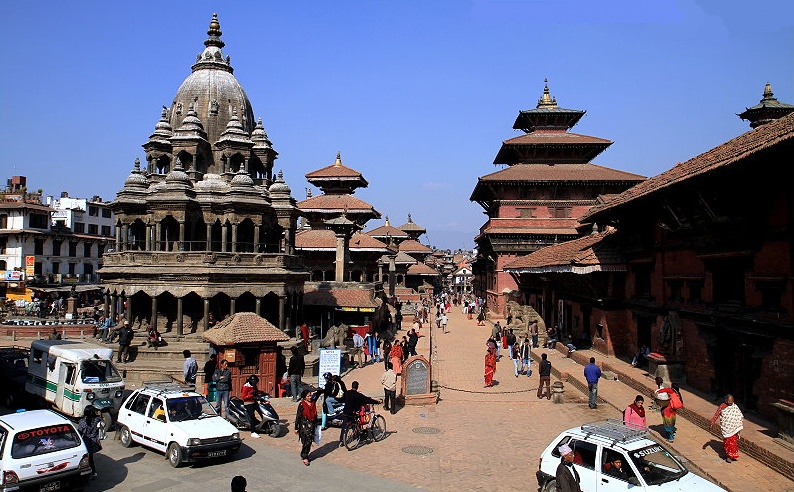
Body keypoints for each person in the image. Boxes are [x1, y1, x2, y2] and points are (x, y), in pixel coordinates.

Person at [337, 381, 382, 446]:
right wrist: (377, 402)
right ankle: (359, 435)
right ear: (357, 387)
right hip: (353, 413)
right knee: (358, 421)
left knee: (344, 427)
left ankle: (342, 440)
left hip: (346, 412)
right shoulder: (358, 395)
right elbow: (367, 400)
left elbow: (342, 399)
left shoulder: (347, 393)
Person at [710, 394, 744, 463]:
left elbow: (739, 414)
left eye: (732, 401)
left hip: (734, 428)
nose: (731, 402)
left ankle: (733, 456)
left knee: (733, 442)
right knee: (728, 443)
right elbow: (716, 414)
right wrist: (712, 423)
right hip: (727, 428)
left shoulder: (735, 406)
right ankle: (728, 456)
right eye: (729, 401)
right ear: (726, 400)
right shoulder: (722, 406)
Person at [294, 388, 321, 465]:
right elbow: (298, 417)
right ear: (304, 397)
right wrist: (296, 428)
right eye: (308, 396)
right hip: (303, 426)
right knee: (306, 441)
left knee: (309, 441)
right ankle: (304, 456)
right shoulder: (302, 404)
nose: (310, 397)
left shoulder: (313, 403)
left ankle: (306, 454)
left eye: (310, 396)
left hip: (312, 425)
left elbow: (315, 415)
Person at [77, 405, 102, 480]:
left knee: (85, 458)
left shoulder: (82, 422)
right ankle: (94, 472)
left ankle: (89, 471)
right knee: (90, 458)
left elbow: (80, 433)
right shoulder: (97, 420)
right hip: (94, 440)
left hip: (86, 441)